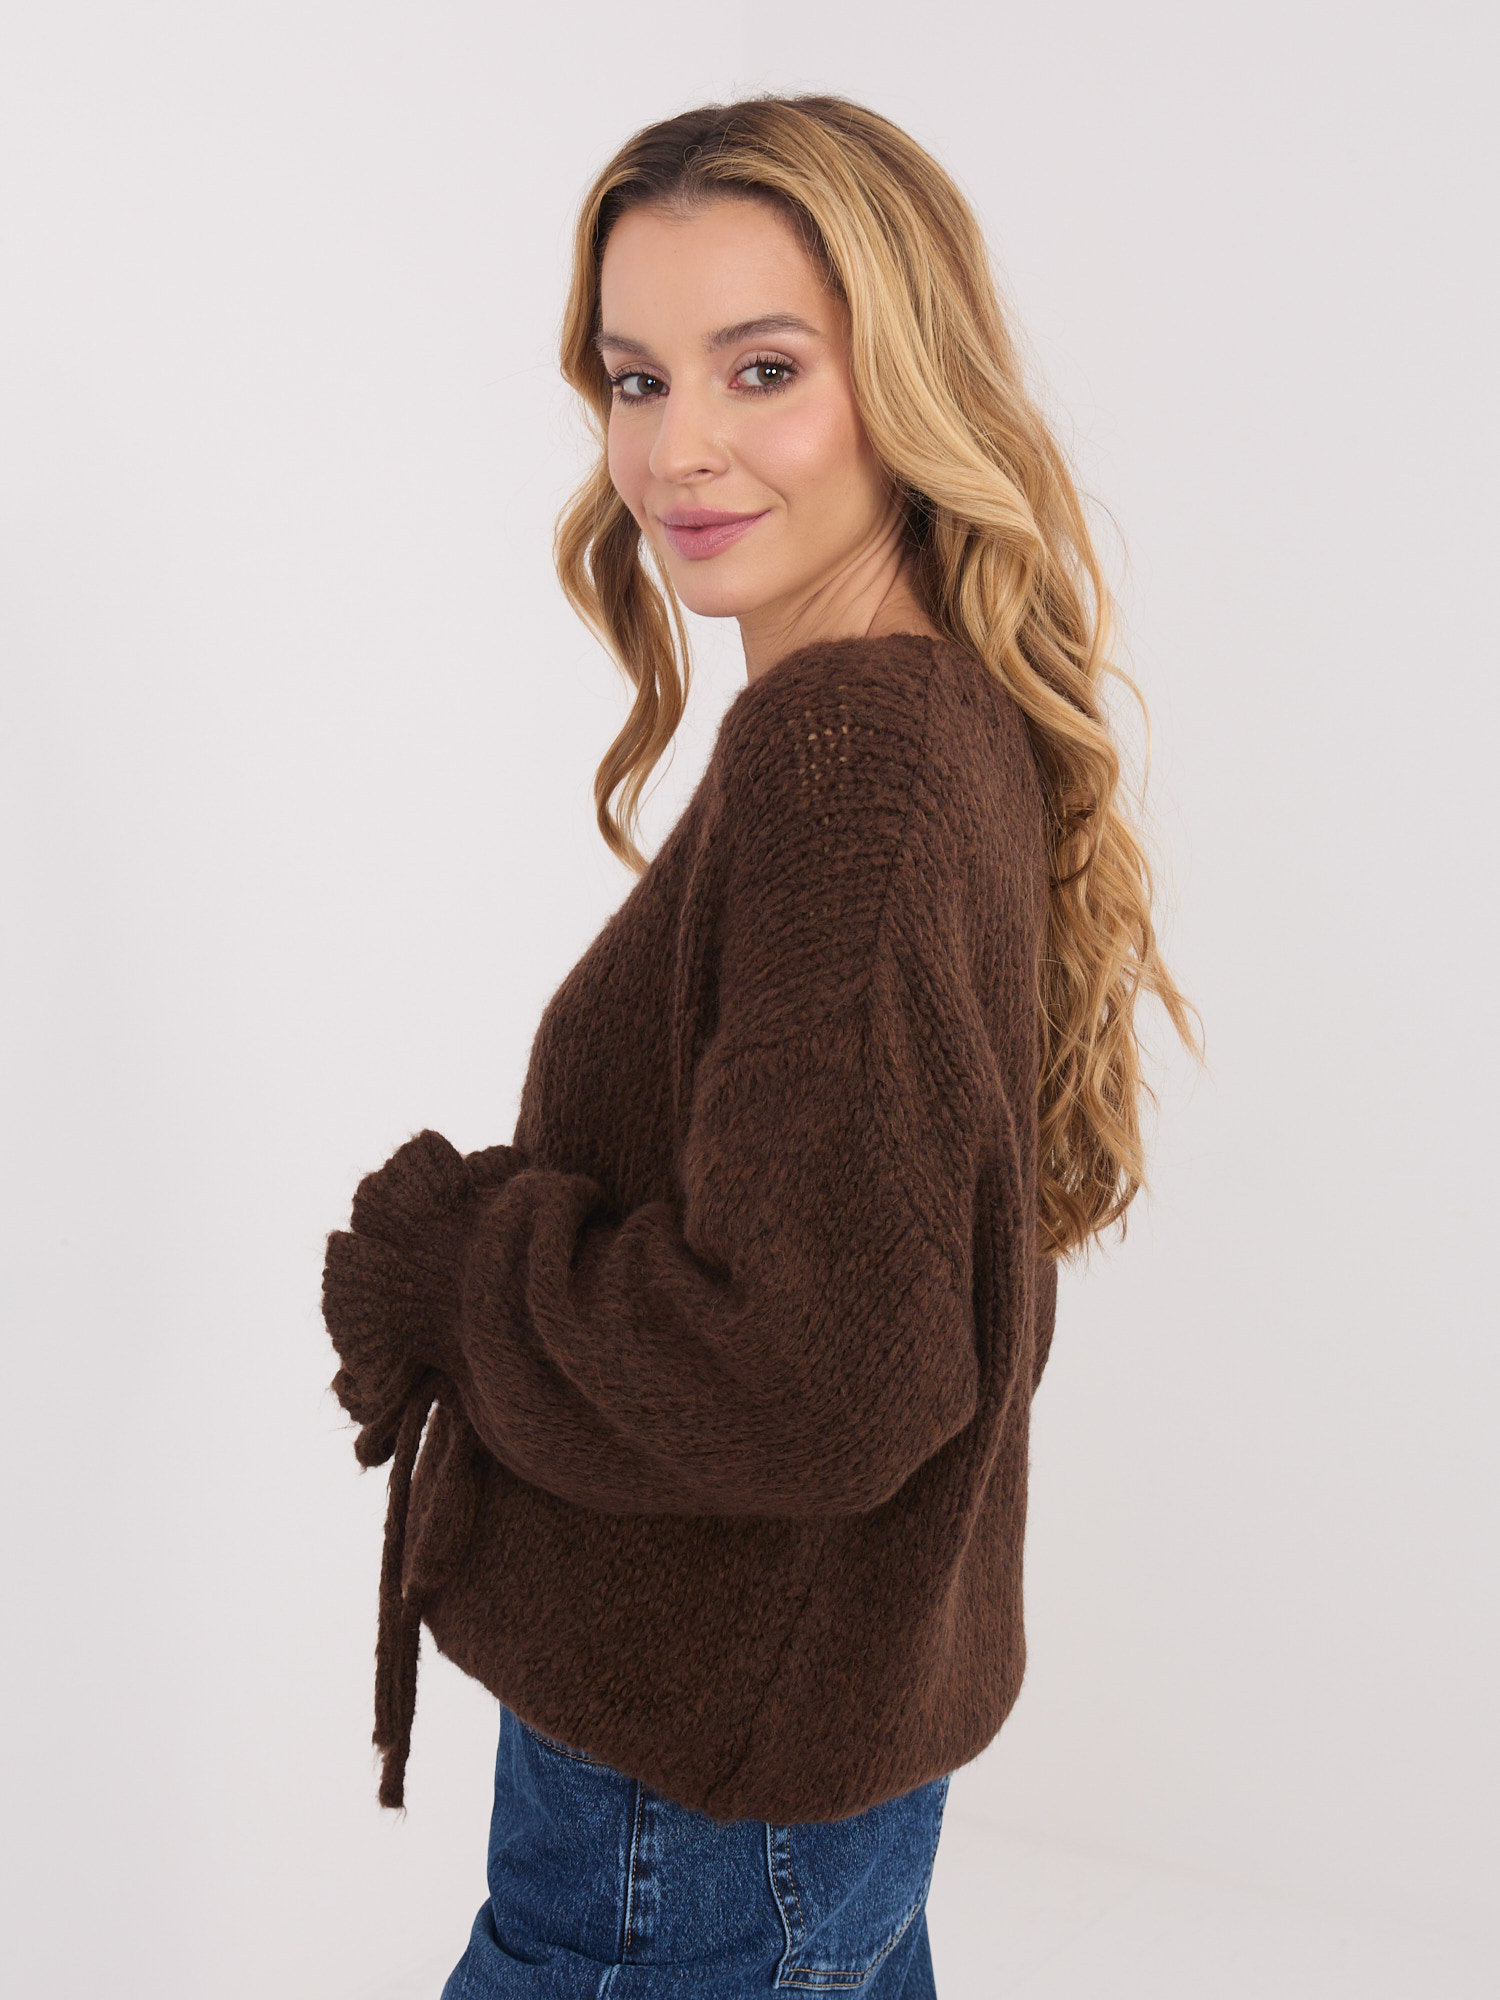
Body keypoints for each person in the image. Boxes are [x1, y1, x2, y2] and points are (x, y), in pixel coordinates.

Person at [320, 91, 1198, 1998]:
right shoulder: (925, 712)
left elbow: (818, 1372)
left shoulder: (848, 755)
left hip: (696, 1784)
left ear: (910, 380)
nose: (677, 450)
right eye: (638, 379)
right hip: (796, 1749)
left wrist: (457, 1274)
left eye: (765, 369)